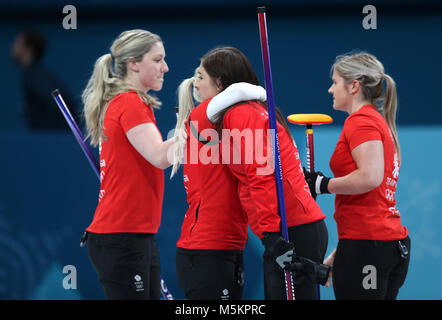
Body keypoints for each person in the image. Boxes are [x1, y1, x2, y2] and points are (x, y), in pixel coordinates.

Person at [173, 46, 328, 300]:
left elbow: (261, 175)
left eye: (200, 77)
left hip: (289, 229)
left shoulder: (240, 113)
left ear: (220, 82)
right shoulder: (248, 110)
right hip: (291, 227)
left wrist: (270, 234)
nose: (195, 84)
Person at [304, 51, 410, 300]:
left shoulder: (361, 121)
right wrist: (340, 253)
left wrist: (322, 184)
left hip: (369, 246)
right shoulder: (375, 121)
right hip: (381, 244)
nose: (330, 89)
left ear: (353, 86)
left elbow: (370, 178)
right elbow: (372, 199)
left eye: (335, 82)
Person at [81, 29, 176, 300]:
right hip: (121, 236)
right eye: (157, 60)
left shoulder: (134, 102)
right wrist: (196, 131)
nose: (165, 68)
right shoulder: (129, 102)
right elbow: (159, 156)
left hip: (136, 234)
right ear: (134, 63)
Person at [11, 30, 80, 130]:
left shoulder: (37, 77)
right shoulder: (32, 76)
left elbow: (57, 107)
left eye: (17, 43)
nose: (13, 47)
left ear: (28, 49)